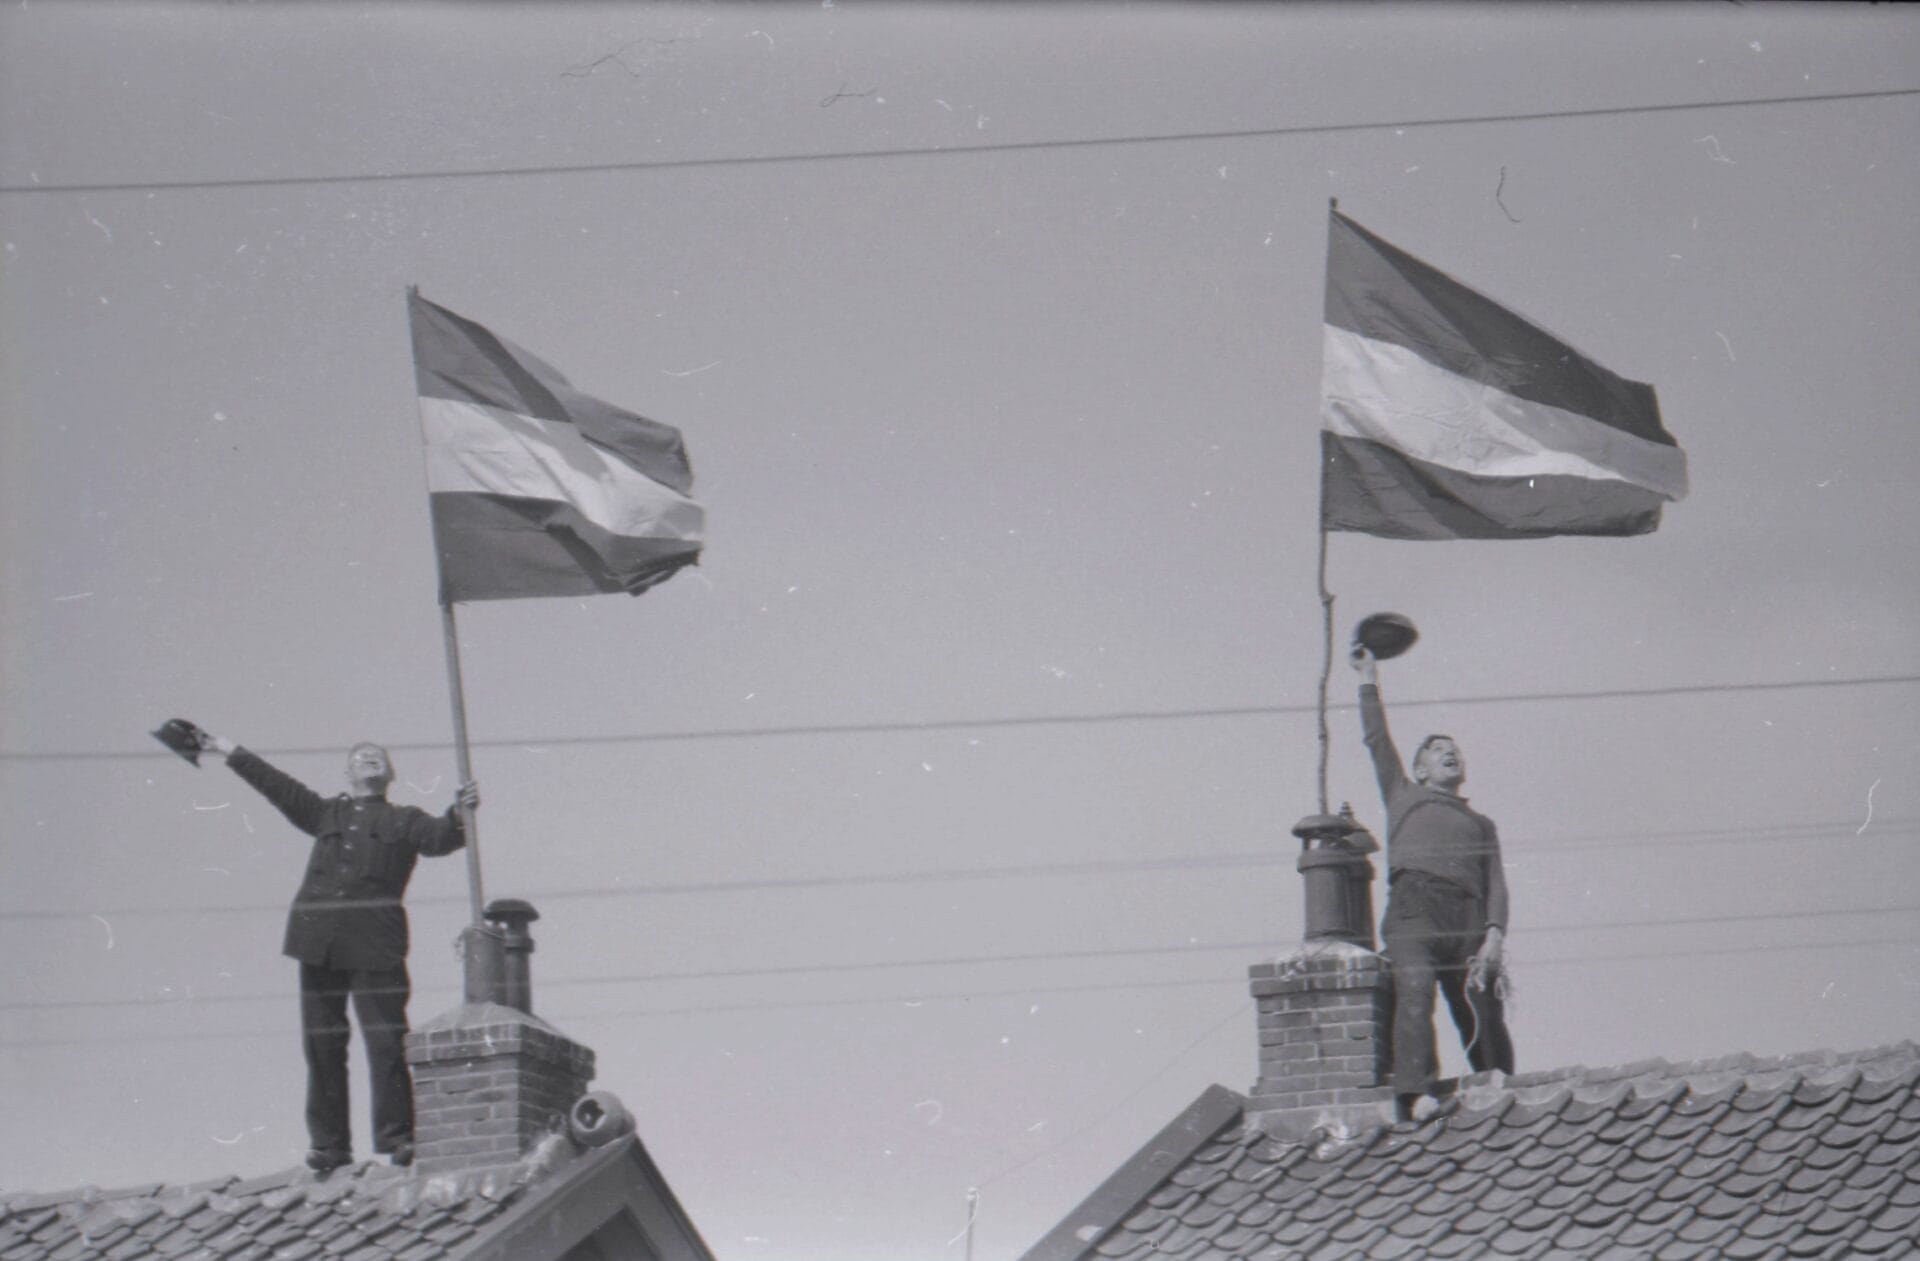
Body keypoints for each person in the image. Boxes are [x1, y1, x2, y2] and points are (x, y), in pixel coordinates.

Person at [192, 728, 477, 1172]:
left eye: (377, 757)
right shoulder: (326, 813)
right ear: (347, 772)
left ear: (390, 774)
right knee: (323, 1044)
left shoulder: (405, 820)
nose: (369, 759)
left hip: (376, 944)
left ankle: (397, 1138)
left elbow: (442, 837)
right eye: (360, 756)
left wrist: (460, 814)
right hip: (317, 940)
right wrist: (227, 749)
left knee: (386, 1041)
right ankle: (330, 1145)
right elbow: (276, 784)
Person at [1350, 648, 1514, 1122]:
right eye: (1439, 749)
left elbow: (1496, 881)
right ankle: (1414, 1093)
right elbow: (1377, 738)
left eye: (1455, 750)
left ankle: (1499, 1084)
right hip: (1414, 911)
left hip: (1466, 919)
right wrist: (1367, 676)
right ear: (1421, 769)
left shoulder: (1480, 823)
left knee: (1479, 1005)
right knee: (1416, 990)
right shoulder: (1403, 795)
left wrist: (1495, 934)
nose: (1451, 753)